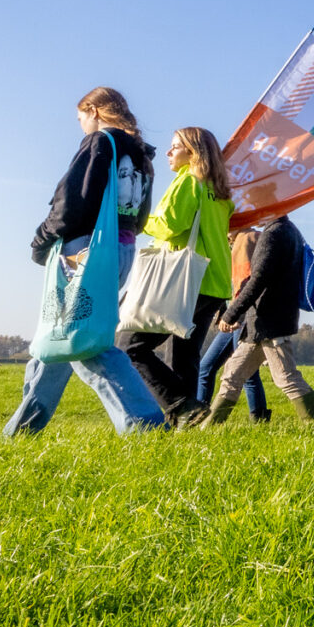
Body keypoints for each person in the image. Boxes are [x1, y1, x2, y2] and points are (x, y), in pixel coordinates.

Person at [2, 87, 169, 436]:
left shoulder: (100, 144)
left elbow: (72, 202)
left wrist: (41, 241)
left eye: (80, 117)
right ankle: (20, 432)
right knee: (57, 339)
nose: (80, 124)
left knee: (86, 343)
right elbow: (140, 217)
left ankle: (146, 426)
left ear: (92, 110)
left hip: (84, 250)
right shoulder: (140, 153)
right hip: (120, 248)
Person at [121, 127, 235, 422]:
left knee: (131, 345)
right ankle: (186, 421)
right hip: (213, 281)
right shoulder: (220, 192)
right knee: (184, 355)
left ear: (193, 152)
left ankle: (180, 405)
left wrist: (138, 219)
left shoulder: (188, 182)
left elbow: (170, 225)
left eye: (175, 147)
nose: (169, 153)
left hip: (183, 279)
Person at [199, 211, 314, 423]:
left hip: (270, 324)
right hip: (265, 323)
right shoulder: (288, 230)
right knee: (232, 374)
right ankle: (208, 428)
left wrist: (231, 314)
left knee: (286, 377)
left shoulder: (273, 234)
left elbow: (257, 280)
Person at [194, 223, 270, 422]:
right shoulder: (229, 245)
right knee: (206, 368)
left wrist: (236, 314)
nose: (227, 230)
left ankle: (259, 419)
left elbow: (250, 282)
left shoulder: (250, 240)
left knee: (244, 372)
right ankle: (199, 415)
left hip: (243, 316)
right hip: (231, 317)